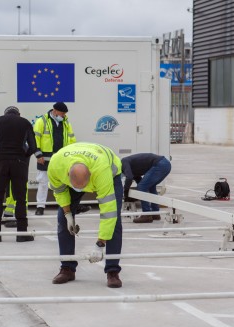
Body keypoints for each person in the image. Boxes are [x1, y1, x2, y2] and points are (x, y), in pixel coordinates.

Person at [47, 142, 123, 288]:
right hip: (74, 167)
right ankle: (67, 268)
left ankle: (112, 271)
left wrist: (100, 245)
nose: (81, 190)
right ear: (68, 175)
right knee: (62, 218)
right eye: (77, 187)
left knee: (115, 221)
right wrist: (68, 214)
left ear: (90, 176)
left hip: (109, 171)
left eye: (83, 187)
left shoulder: (101, 171)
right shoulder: (56, 166)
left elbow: (108, 210)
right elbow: (60, 192)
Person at [0, 106, 38, 242]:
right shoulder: (25, 122)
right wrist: (24, 156)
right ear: (18, 114)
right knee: (20, 197)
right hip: (19, 162)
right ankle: (22, 233)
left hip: (0, 162)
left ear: (5, 113)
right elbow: (33, 147)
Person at [33, 102, 90, 215]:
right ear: (55, 110)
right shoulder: (42, 121)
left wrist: (73, 154)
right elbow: (35, 138)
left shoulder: (65, 122)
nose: (63, 115)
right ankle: (40, 207)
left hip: (63, 158)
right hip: (45, 157)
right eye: (62, 113)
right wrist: (38, 154)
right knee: (43, 182)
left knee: (67, 181)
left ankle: (72, 205)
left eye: (64, 113)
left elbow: (71, 138)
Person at [121, 153, 172, 223]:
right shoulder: (131, 167)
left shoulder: (123, 162)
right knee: (150, 186)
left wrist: (126, 191)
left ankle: (147, 215)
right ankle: (155, 213)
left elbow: (129, 178)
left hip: (160, 164)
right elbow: (139, 181)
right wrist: (132, 195)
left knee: (142, 187)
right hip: (165, 164)